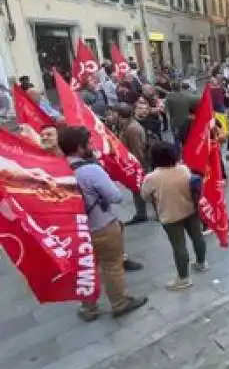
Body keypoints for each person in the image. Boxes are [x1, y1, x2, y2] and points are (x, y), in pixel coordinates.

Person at [58, 126, 147, 321]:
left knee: (86, 268)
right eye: (89, 143)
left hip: (76, 229)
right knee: (112, 265)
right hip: (102, 226)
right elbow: (115, 197)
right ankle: (119, 303)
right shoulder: (90, 170)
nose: (93, 146)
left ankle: (88, 308)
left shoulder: (57, 167)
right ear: (79, 148)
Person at [140, 142, 207, 291]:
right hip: (190, 209)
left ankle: (183, 278)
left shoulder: (151, 178)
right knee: (197, 237)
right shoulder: (183, 169)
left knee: (179, 246)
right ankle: (201, 263)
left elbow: (145, 196)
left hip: (169, 215)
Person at [114, 104, 150, 224]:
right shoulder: (127, 126)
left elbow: (137, 150)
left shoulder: (132, 129)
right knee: (137, 190)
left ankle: (144, 213)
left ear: (119, 115)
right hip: (135, 163)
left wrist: (137, 166)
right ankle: (141, 212)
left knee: (143, 189)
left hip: (137, 164)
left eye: (114, 113)